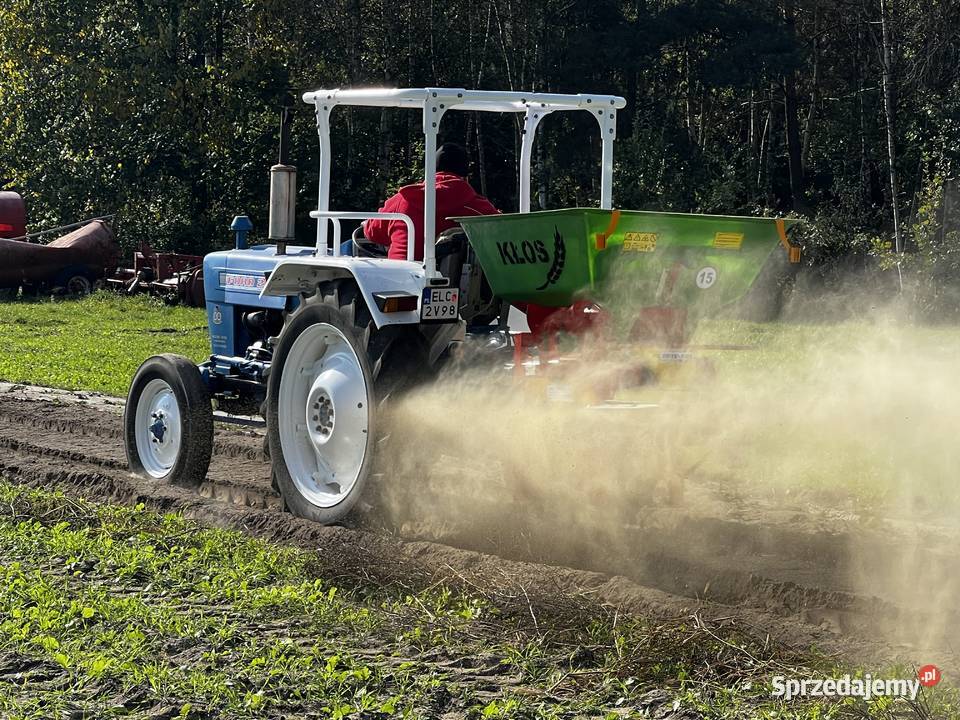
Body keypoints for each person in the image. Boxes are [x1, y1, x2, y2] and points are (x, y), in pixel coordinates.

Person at [363, 143, 498, 260]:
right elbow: (500, 229)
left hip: (401, 278)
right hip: (459, 283)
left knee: (349, 248)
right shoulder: (477, 206)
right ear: (465, 175)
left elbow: (372, 232)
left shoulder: (402, 199)